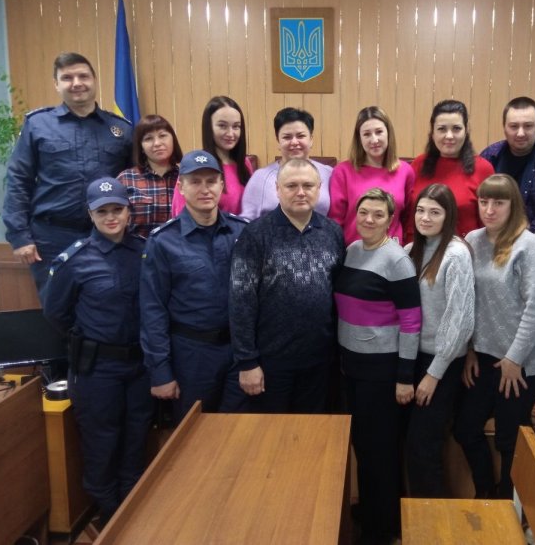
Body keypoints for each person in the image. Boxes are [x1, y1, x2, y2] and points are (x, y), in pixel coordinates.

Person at [42, 177, 152, 527]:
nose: (111, 217)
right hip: (97, 369)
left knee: (136, 437)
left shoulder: (144, 251)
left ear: (128, 211)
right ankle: (108, 513)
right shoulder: (75, 259)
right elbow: (56, 313)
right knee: (102, 441)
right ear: (90, 215)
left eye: (117, 209)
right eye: (102, 211)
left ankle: (131, 511)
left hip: (140, 366)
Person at [454, 174, 535, 499]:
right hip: (482, 356)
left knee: (510, 438)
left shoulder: (528, 245)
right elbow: (469, 300)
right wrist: (469, 349)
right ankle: (486, 493)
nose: (490, 209)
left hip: (521, 362)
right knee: (465, 428)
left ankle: (508, 504)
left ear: (513, 205)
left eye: (499, 202)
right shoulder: (473, 239)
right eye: (484, 202)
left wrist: (514, 358)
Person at [3, 52, 133, 291]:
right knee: (57, 307)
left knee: (110, 304)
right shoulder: (38, 125)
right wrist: (19, 235)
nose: (76, 83)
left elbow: (133, 183)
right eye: (67, 78)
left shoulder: (120, 129)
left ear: (94, 80)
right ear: (56, 84)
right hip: (52, 238)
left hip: (106, 235)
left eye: (83, 76)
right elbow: (18, 180)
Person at [333, 188, 421, 543]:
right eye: (364, 212)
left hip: (382, 372)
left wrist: (404, 376)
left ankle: (384, 529)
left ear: (391, 220)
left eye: (378, 215)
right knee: (362, 447)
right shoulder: (353, 250)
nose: (369, 219)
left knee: (380, 451)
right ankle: (370, 512)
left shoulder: (396, 260)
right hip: (351, 368)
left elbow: (411, 322)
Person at [140, 150, 248, 423]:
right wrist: (160, 371)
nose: (204, 189)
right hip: (191, 356)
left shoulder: (242, 232)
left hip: (238, 354)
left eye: (211, 181)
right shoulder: (163, 241)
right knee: (192, 437)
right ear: (181, 187)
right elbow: (153, 309)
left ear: (222, 185)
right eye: (195, 181)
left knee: (238, 433)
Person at [230, 158, 344, 413]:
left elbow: (337, 298)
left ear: (319, 188)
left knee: (312, 431)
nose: (301, 192)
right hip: (270, 362)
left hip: (319, 360)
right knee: (271, 434)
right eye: (291, 186)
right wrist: (247, 362)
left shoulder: (332, 233)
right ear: (277, 189)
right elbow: (241, 301)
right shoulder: (255, 235)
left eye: (308, 185)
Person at [404, 184, 474, 497]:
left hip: (441, 363)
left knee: (424, 447)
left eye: (435, 212)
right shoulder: (410, 250)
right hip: (413, 358)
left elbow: (460, 320)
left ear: (449, 216)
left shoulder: (456, 254)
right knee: (412, 445)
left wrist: (434, 374)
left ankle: (434, 519)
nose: (425, 218)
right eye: (421, 210)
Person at [406, 99, 494, 242]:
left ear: (466, 131)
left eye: (456, 128)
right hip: (418, 248)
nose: (449, 136)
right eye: (442, 129)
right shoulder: (417, 165)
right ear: (432, 132)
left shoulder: (483, 168)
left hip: (464, 250)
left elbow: (489, 221)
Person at [480, 96, 535, 232]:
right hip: (492, 235)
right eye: (514, 126)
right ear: (504, 127)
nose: (520, 133)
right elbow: (480, 200)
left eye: (528, 126)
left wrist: (522, 238)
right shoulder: (489, 156)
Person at [329, 106, 415, 245]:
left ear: (388, 133)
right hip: (353, 251)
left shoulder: (405, 171)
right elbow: (335, 222)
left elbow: (408, 218)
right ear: (359, 139)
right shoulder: (343, 171)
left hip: (393, 251)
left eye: (379, 132)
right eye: (367, 134)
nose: (374, 140)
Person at [240, 107, 332, 221]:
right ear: (278, 141)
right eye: (287, 137)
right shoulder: (260, 178)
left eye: (300, 136)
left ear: (311, 139)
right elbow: (246, 222)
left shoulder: (329, 174)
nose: (294, 142)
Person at [172, 96, 253, 216]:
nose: (230, 133)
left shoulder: (245, 163)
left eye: (236, 126)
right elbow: (181, 215)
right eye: (222, 126)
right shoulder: (195, 166)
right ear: (209, 127)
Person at [117, 114, 182, 237]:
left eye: (162, 136)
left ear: (173, 139)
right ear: (141, 146)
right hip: (137, 248)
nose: (157, 143)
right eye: (148, 139)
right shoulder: (125, 179)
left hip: (179, 248)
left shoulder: (185, 178)